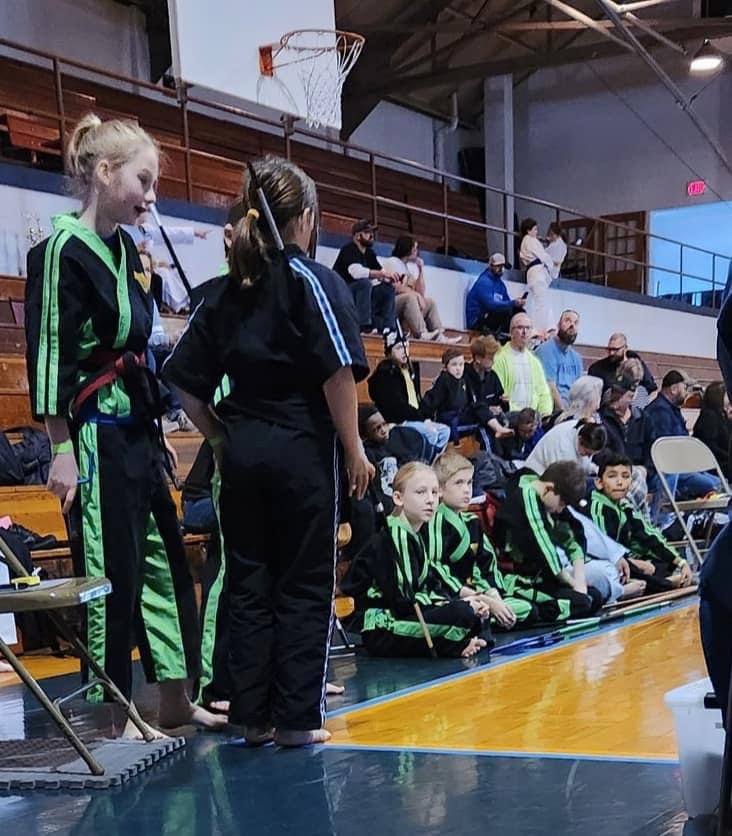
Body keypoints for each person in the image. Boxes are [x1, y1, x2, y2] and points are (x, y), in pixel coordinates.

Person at [163, 155, 373, 746]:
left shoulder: (226, 290)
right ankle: (298, 721)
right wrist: (354, 449)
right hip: (302, 451)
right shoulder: (312, 280)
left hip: (242, 453)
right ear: (305, 218)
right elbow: (337, 373)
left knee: (249, 583)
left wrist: (218, 436)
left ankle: (253, 719)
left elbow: (181, 379)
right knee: (304, 583)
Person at [24, 113, 218, 738]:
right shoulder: (59, 251)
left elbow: (140, 345)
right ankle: (113, 713)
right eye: (144, 180)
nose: (151, 196)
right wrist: (60, 448)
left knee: (164, 561)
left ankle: (175, 699)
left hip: (137, 427)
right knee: (113, 572)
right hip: (93, 434)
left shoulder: (128, 250)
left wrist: (157, 428)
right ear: (104, 173)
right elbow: (50, 354)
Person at [351, 462, 490, 658]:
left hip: (406, 615)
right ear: (398, 498)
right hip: (385, 626)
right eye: (421, 492)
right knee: (464, 613)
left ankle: (462, 642)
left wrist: (458, 602)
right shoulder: (396, 535)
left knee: (476, 613)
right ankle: (454, 645)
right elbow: (405, 602)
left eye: (434, 492)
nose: (430, 500)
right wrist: (453, 605)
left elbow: (430, 583)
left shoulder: (415, 533)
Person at [424, 452, 533, 627]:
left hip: (476, 591)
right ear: (440, 490)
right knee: (471, 613)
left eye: (469, 482)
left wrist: (493, 594)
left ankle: (491, 614)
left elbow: (486, 564)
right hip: (451, 595)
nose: (467, 489)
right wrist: (482, 599)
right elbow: (436, 570)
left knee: (526, 608)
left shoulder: (472, 522)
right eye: (459, 483)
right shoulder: (433, 523)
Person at [492, 462, 602, 620]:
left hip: (543, 578)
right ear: (549, 488)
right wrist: (571, 583)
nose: (561, 509)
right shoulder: (526, 496)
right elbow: (543, 547)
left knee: (595, 597)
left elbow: (573, 535)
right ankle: (539, 612)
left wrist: (580, 579)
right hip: (521, 580)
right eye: (562, 504)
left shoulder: (550, 498)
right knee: (582, 603)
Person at [587, 453, 692, 593]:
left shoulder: (625, 506)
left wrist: (681, 562)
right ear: (599, 482)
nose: (619, 482)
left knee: (663, 561)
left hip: (624, 559)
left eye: (625, 476)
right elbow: (603, 550)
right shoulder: (597, 508)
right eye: (612, 476)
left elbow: (648, 534)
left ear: (631, 482)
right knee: (630, 573)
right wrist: (635, 563)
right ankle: (665, 583)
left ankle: (658, 581)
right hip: (599, 562)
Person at [367, 332, 450, 459]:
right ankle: (423, 464)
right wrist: (422, 419)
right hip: (398, 420)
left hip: (414, 417)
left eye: (406, 347)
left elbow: (416, 398)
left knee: (445, 431)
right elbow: (398, 407)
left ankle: (433, 461)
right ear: (389, 352)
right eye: (399, 348)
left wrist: (426, 417)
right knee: (431, 433)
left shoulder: (410, 369)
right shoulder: (386, 373)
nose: (405, 351)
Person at [645, 370, 721, 500]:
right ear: (674, 389)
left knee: (718, 482)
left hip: (681, 468)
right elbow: (666, 450)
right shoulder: (659, 411)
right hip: (668, 471)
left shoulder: (671, 409)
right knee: (715, 484)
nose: (687, 393)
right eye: (685, 388)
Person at [380, 236, 458, 343]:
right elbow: (395, 286)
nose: (417, 251)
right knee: (410, 298)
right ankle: (421, 333)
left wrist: (420, 270)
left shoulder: (407, 268)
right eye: (415, 248)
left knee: (430, 302)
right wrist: (415, 295)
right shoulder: (392, 262)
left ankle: (439, 335)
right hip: (390, 305)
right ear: (408, 248)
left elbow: (421, 293)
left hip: (405, 305)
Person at [332, 219, 397, 334]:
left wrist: (390, 278)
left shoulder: (369, 253)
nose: (371, 236)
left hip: (359, 296)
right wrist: (382, 274)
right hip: (343, 294)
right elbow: (356, 272)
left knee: (387, 289)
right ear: (358, 236)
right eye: (367, 233)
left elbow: (380, 272)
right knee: (364, 284)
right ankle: (363, 325)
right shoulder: (348, 250)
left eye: (372, 233)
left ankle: (387, 327)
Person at [492, 313, 553, 417]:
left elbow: (544, 392)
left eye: (528, 328)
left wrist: (545, 413)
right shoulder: (500, 358)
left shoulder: (534, 361)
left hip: (533, 418)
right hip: (511, 416)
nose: (524, 332)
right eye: (520, 328)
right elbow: (501, 396)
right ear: (511, 332)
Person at [463, 335, 513, 448]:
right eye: (490, 358)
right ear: (478, 358)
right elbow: (468, 406)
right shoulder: (464, 375)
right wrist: (488, 410)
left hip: (495, 418)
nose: (493, 361)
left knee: (523, 417)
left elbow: (501, 403)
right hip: (472, 420)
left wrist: (503, 403)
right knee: (484, 427)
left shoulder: (492, 376)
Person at [421, 348, 475, 442]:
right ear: (446, 367)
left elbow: (471, 401)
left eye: (461, 364)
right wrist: (427, 418)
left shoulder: (464, 380)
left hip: (462, 416)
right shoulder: (444, 380)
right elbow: (431, 401)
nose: (458, 368)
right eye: (454, 364)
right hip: (448, 420)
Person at [465, 253, 526, 336]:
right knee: (502, 311)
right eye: (498, 266)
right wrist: (512, 303)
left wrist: (517, 304)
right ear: (491, 266)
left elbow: (507, 303)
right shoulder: (484, 282)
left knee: (518, 312)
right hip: (477, 322)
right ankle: (499, 336)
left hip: (491, 318)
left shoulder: (500, 284)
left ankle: (515, 336)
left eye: (503, 266)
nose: (501, 269)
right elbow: (491, 305)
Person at [535, 310, 583, 411]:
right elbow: (550, 387)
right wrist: (563, 413)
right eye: (568, 320)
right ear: (558, 324)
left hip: (572, 410)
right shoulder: (545, 350)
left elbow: (579, 390)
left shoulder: (577, 358)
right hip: (552, 410)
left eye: (575, 323)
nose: (572, 325)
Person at [524, 420, 607, 477]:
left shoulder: (583, 430)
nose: (589, 457)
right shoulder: (563, 448)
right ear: (580, 440)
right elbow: (564, 481)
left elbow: (583, 463)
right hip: (537, 475)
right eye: (587, 453)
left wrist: (594, 469)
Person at [587, 333, 657, 396]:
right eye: (609, 349)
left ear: (625, 348)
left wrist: (645, 405)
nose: (611, 353)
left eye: (615, 349)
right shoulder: (597, 368)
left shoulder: (636, 365)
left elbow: (652, 390)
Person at [519, 218, 556, 337]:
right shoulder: (530, 240)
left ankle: (539, 328)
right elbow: (543, 256)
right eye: (535, 229)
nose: (536, 231)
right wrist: (551, 267)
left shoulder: (525, 242)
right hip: (537, 273)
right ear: (528, 230)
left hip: (533, 273)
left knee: (537, 302)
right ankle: (545, 328)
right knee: (542, 302)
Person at [693, 381, 732, 477]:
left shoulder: (721, 414)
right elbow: (711, 446)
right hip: (715, 464)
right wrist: (729, 456)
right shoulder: (709, 416)